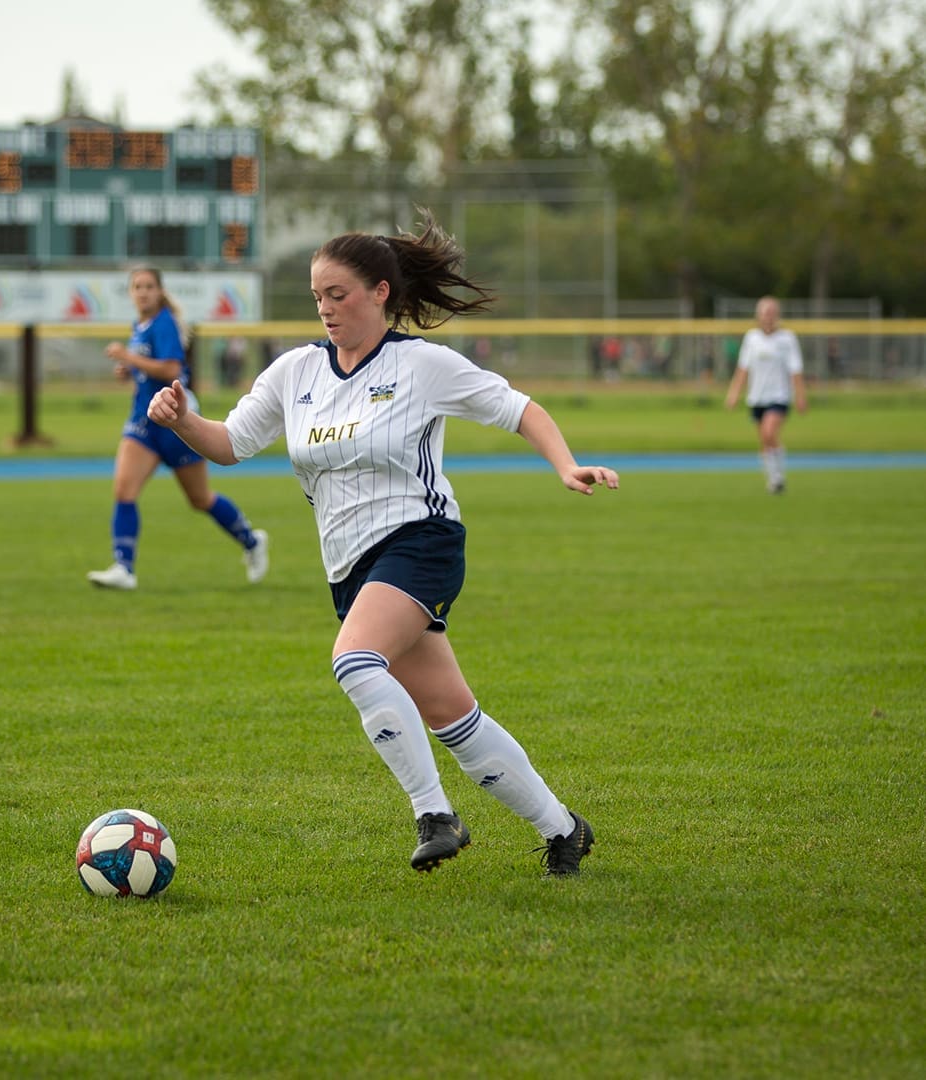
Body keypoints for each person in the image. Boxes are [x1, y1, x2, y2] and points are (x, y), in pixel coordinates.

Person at [147, 212, 619, 877]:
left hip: (420, 540)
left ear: (380, 292)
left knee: (354, 660)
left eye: (337, 294)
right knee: (453, 718)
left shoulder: (421, 365)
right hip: (349, 567)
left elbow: (520, 409)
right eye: (317, 296)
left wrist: (566, 465)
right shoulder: (295, 373)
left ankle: (434, 814)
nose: (325, 308)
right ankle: (564, 829)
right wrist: (182, 420)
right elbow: (228, 444)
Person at [86, 266, 268, 591]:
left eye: (149, 286)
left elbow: (171, 368)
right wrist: (130, 371)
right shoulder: (139, 326)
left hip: (175, 421)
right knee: (124, 491)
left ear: (160, 291)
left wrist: (129, 357)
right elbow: (150, 370)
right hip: (144, 422)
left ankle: (252, 541)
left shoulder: (164, 323)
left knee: (200, 499)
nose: (143, 292)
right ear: (130, 293)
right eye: (137, 287)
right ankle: (124, 568)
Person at [724, 296, 808, 494]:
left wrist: (800, 396)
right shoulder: (751, 338)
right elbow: (743, 369)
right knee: (764, 441)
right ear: (758, 316)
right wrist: (734, 393)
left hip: (779, 396)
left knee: (769, 433)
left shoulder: (787, 339)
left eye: (771, 313)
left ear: (777, 315)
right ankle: (773, 478)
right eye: (764, 313)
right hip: (757, 397)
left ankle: (778, 477)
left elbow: (795, 370)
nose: (768, 317)